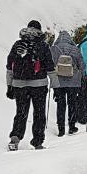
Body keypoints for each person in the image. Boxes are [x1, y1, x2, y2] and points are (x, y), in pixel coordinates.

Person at [6, 20, 51, 150]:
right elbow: (50, 66)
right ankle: (37, 141)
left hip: (19, 85)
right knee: (39, 113)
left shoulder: (18, 44)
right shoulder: (43, 45)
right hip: (39, 85)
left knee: (21, 112)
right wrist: (55, 83)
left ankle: (15, 138)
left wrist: (9, 86)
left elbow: (9, 67)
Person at [49, 26, 85, 135]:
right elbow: (82, 65)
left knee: (61, 104)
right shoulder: (75, 49)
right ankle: (72, 126)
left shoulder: (54, 48)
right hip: (73, 82)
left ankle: (61, 128)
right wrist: (82, 75)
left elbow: (50, 64)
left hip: (59, 81)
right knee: (72, 103)